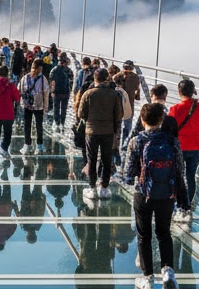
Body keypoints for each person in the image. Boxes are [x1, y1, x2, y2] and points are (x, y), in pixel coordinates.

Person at [125, 102, 188, 289]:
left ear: (143, 120)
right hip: (167, 194)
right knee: (164, 233)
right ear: (162, 119)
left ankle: (148, 278)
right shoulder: (172, 141)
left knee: (144, 235)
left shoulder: (137, 141)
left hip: (143, 194)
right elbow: (180, 169)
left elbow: (128, 172)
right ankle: (168, 271)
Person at [168, 79, 199, 220]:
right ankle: (187, 206)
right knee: (190, 176)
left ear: (179, 92)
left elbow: (169, 128)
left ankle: (178, 206)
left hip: (180, 147)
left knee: (178, 177)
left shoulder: (174, 109)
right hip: (196, 147)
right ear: (193, 91)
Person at [79, 68, 122, 200]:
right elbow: (119, 115)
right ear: (107, 78)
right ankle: (104, 188)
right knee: (106, 159)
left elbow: (81, 114)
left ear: (95, 79)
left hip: (91, 131)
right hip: (108, 132)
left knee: (91, 159)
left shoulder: (88, 94)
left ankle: (92, 188)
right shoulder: (114, 95)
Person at [0, 65, 21, 161]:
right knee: (7, 133)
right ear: (8, 74)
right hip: (8, 113)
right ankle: (4, 148)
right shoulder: (10, 86)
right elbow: (17, 97)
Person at [19, 61, 50, 154]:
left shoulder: (27, 78)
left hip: (33, 105)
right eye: (40, 69)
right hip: (32, 105)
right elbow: (46, 94)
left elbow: (19, 89)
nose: (41, 71)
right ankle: (32, 144)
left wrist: (45, 107)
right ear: (37, 68)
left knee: (34, 126)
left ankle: (34, 145)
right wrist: (45, 107)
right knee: (32, 126)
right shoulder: (39, 78)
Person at [117, 60, 141, 148]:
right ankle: (123, 146)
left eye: (128, 68)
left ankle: (123, 146)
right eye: (125, 68)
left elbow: (136, 91)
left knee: (124, 127)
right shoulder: (134, 77)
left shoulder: (134, 78)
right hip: (124, 105)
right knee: (125, 127)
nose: (127, 70)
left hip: (125, 105)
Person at [49, 55, 73, 131]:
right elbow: (71, 82)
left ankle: (57, 123)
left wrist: (52, 91)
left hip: (56, 93)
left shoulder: (54, 70)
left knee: (56, 108)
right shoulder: (68, 70)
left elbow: (51, 81)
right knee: (63, 109)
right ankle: (62, 123)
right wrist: (70, 91)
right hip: (65, 93)